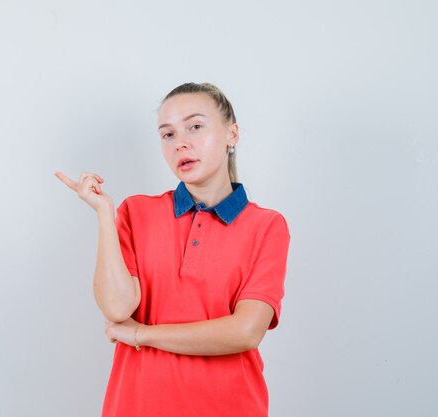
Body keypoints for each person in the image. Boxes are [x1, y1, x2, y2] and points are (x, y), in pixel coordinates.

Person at [55, 82, 291, 417]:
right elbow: (117, 307)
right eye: (167, 134)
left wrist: (141, 334)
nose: (180, 143)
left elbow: (244, 331)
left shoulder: (267, 226)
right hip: (135, 407)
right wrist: (104, 214)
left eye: (195, 126)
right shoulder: (136, 212)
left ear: (231, 134)